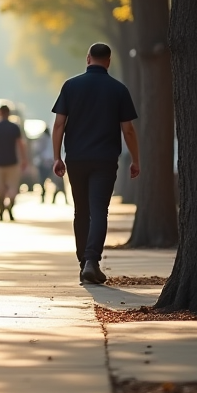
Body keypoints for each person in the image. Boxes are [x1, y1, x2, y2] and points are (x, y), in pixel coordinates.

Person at [51, 42, 140, 285]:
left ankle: (84, 263)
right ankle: (92, 261)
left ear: (88, 58)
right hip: (105, 159)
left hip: (77, 159)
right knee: (99, 210)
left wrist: (57, 156)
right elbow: (128, 130)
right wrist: (135, 159)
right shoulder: (118, 89)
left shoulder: (71, 86)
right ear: (108, 61)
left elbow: (59, 124)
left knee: (81, 211)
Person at [0, 106, 27, 221]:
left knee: (0, 189)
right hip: (12, 162)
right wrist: (24, 159)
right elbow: (20, 144)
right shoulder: (14, 128)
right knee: (13, 189)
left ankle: (1, 210)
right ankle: (9, 208)